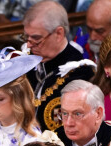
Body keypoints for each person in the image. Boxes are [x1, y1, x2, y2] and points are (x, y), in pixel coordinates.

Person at [22, 0, 96, 133]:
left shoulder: (80, 73)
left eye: (36, 38)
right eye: (27, 37)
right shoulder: (25, 60)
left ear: (59, 34)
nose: (28, 45)